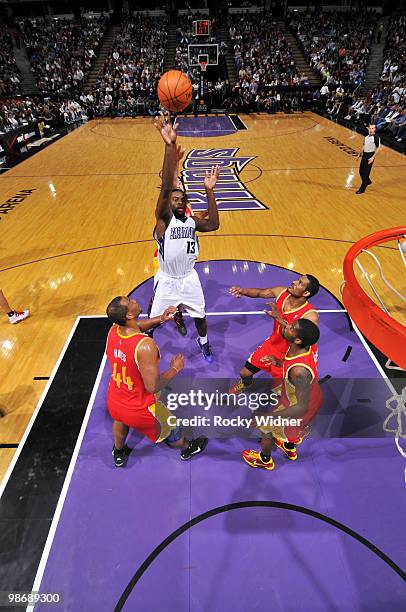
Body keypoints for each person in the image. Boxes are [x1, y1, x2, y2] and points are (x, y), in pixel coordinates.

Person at [149, 112, 220, 363]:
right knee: (151, 322)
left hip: (188, 277)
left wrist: (209, 191)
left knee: (200, 316)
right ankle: (145, 352)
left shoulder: (189, 217)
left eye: (182, 197)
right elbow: (169, 183)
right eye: (174, 198)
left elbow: (213, 223)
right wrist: (168, 147)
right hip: (167, 278)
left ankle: (204, 344)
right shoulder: (163, 217)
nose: (178, 198)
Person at [105, 296, 208, 467]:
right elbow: (152, 387)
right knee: (171, 428)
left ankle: (118, 451)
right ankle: (186, 448)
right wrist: (175, 368)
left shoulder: (114, 330)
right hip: (141, 407)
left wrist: (161, 318)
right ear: (129, 315)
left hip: (116, 399)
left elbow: (136, 327)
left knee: (121, 420)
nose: (135, 300)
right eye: (130, 302)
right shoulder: (145, 346)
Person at [242, 319, 322, 471]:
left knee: (266, 429)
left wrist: (269, 417)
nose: (287, 326)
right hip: (306, 395)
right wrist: (278, 362)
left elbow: (301, 406)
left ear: (297, 339)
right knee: (290, 429)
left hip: (299, 405)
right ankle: (288, 446)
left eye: (292, 327)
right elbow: (291, 364)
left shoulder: (299, 372)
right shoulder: (303, 348)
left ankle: (264, 460)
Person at [229, 275, 319, 393]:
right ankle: (246, 384)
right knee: (244, 373)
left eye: (300, 283)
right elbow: (260, 292)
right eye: (297, 279)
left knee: (280, 390)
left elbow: (304, 342)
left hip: (290, 354)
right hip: (273, 344)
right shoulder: (281, 292)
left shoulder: (310, 316)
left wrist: (279, 319)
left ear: (306, 293)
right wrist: (243, 291)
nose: (294, 282)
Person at [356, 124, 380, 194]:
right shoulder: (366, 137)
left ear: (375, 129)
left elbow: (378, 148)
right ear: (368, 129)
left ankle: (362, 189)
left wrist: (373, 157)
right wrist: (359, 154)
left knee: (366, 173)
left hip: (370, 155)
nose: (371, 129)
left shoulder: (376, 137)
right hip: (364, 155)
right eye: (370, 128)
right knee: (361, 171)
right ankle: (368, 181)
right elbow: (364, 146)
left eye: (372, 128)